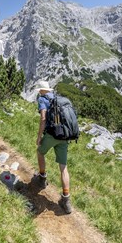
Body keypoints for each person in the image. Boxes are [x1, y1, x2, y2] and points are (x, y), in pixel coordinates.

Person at [33, 80, 72, 214]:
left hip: (52, 134)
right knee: (63, 167)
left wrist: (39, 136)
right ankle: (66, 200)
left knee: (40, 152)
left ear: (41, 91)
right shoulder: (58, 99)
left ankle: (42, 178)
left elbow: (43, 118)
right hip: (65, 136)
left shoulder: (43, 99)